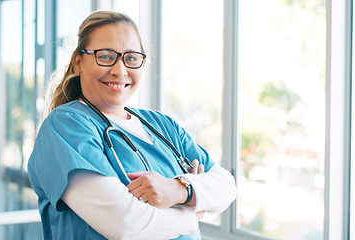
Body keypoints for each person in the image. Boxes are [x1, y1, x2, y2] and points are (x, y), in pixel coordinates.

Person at [28, 10, 237, 240]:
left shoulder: (163, 125)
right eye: (106, 56)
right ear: (79, 61)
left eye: (131, 58)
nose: (119, 70)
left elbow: (226, 185)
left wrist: (178, 190)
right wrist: (192, 212)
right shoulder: (66, 126)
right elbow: (126, 223)